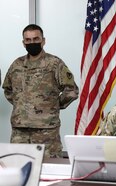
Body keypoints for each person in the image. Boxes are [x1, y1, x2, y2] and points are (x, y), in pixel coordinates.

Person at [2, 24, 79, 158]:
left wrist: (53, 105)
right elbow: (8, 89)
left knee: (50, 168)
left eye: (36, 39)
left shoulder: (54, 64)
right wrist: (22, 105)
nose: (32, 43)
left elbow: (72, 90)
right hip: (20, 131)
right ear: (23, 43)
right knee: (18, 168)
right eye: (28, 40)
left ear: (43, 41)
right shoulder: (16, 65)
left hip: (46, 131)